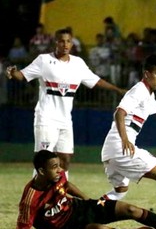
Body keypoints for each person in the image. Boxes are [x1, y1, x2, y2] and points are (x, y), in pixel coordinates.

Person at [5, 28, 126, 178]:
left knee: (65, 159)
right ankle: (36, 197)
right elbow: (22, 75)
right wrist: (12, 72)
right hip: (46, 117)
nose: (65, 44)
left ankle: (58, 195)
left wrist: (118, 89)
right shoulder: (43, 60)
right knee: (44, 159)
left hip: (65, 120)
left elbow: (96, 81)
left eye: (68, 41)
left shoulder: (78, 63)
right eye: (62, 41)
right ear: (56, 42)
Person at [15, 150, 156, 229]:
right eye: (54, 167)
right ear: (40, 171)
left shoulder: (59, 176)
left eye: (59, 166)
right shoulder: (30, 199)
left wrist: (88, 200)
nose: (60, 170)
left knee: (130, 209)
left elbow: (68, 184)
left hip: (81, 208)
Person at [101, 55, 156, 227]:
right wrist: (125, 140)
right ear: (147, 74)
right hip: (121, 147)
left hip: (110, 150)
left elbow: (155, 107)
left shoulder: (148, 95)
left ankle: (87, 213)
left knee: (119, 192)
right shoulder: (138, 90)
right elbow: (119, 112)